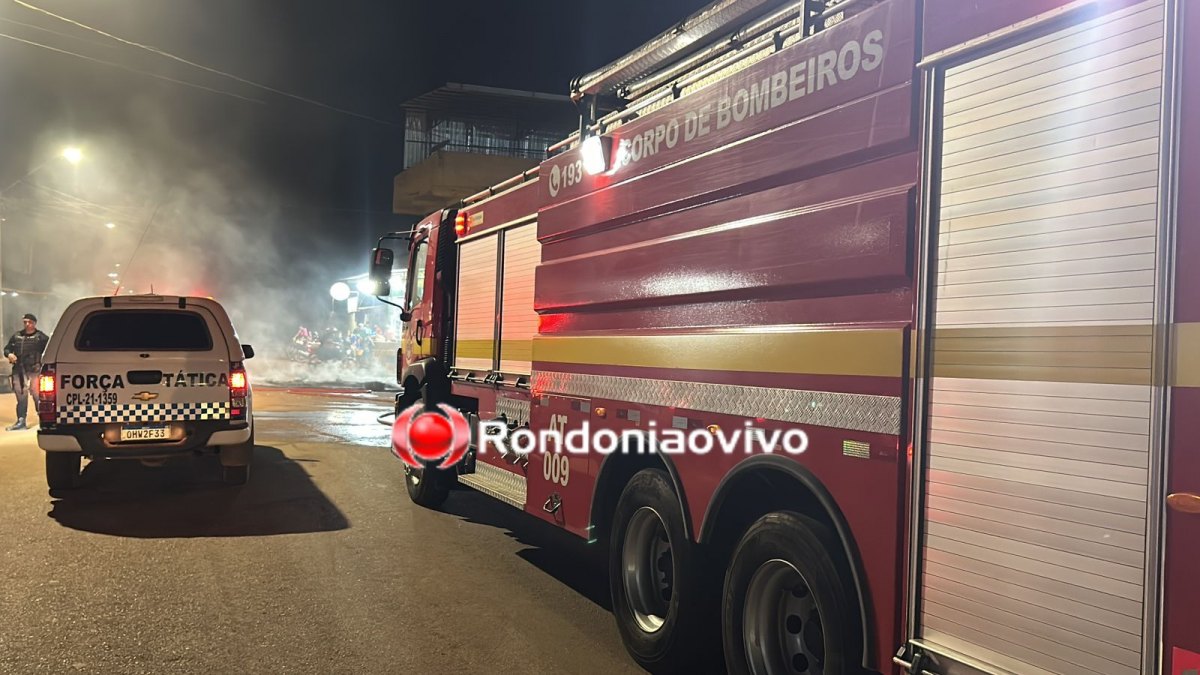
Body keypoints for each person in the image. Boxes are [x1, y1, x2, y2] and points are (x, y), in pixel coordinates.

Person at [4, 313, 50, 430]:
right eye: (25, 322)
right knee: (21, 396)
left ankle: (43, 420)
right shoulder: (17, 337)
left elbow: (49, 351)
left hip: (35, 370)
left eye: (29, 322)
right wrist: (9, 354)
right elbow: (7, 348)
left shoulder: (41, 338)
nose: (27, 324)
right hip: (19, 370)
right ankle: (21, 420)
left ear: (34, 323)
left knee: (38, 395)